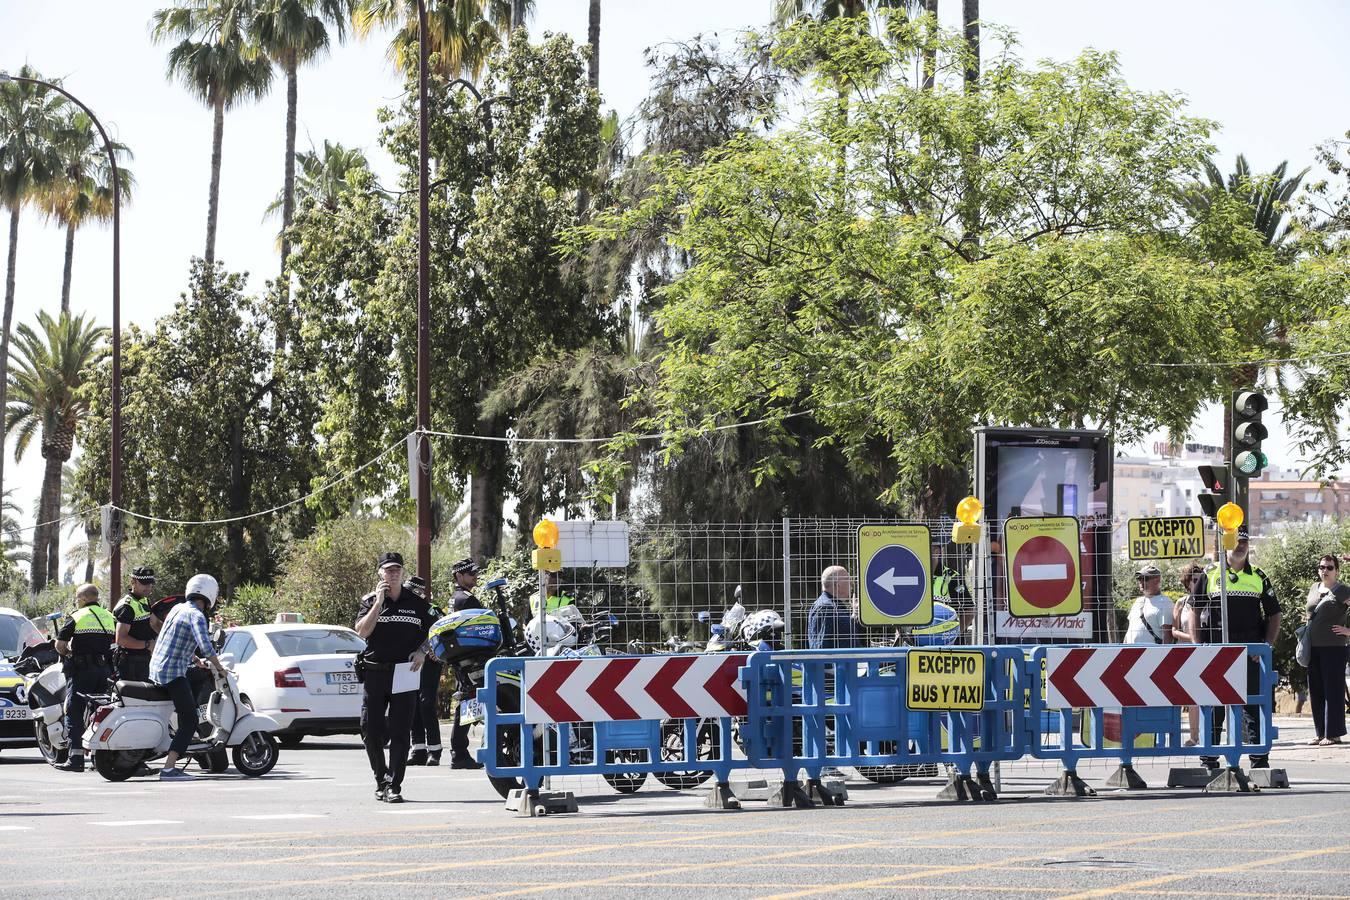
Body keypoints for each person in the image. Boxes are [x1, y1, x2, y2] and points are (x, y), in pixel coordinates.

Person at [1192, 527, 1280, 770]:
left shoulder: (1259, 576)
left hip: (1249, 654)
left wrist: (1266, 646)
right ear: (1226, 544)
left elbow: (1274, 614)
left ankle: (1259, 760)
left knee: (1253, 706)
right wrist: (1197, 647)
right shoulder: (1210, 574)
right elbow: (1195, 610)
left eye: (1244, 541)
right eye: (1236, 541)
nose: (1241, 545)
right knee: (1214, 706)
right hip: (1215, 654)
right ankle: (1209, 759)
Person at [354, 552, 435, 803]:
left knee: (401, 732)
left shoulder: (418, 602)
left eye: (397, 569)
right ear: (380, 573)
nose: (393, 573)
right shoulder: (370, 602)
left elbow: (437, 630)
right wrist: (378, 603)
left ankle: (394, 785)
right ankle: (380, 779)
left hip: (404, 673)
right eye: (388, 570)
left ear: (403, 572)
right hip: (375, 672)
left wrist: (423, 651)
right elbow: (362, 632)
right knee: (371, 730)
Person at [149, 574, 226, 781]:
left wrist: (197, 660)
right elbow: (206, 644)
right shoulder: (197, 615)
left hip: (157, 670)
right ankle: (169, 768)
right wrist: (219, 667)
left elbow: (174, 638)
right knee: (190, 719)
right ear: (210, 595)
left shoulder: (177, 609)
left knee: (186, 704)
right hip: (172, 673)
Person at [53, 584, 115, 773]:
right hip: (104, 671)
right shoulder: (109, 616)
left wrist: (69, 653)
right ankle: (99, 758)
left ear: (84, 598)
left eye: (78, 598)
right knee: (101, 712)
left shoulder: (77, 616)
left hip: (82, 671)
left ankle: (76, 758)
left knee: (75, 711)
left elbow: (60, 645)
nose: (77, 601)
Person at [1304, 554, 1350, 745]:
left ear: (1337, 571)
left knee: (1333, 690)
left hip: (1335, 647)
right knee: (1316, 690)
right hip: (1313, 647)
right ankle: (1320, 732)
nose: (1325, 570)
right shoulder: (1314, 588)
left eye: (1330, 567)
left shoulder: (1343, 590)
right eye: (1322, 567)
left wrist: (1348, 630)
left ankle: (1333, 734)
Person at [444, 557, 486, 769]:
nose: (475, 576)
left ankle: (459, 751)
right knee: (468, 704)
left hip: (462, 659)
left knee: (466, 704)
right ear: (459, 576)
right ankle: (459, 752)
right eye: (471, 573)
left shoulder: (455, 597)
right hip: (470, 660)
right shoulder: (466, 599)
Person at [405, 574, 445, 768]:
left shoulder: (431, 609)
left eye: (415, 592)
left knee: (426, 704)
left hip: (429, 660)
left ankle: (434, 750)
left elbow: (442, 631)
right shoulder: (403, 607)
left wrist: (426, 650)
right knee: (412, 704)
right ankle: (418, 749)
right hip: (409, 662)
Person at [1173, 561, 1206, 745]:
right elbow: (1174, 630)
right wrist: (1192, 638)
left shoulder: (1208, 600)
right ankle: (1194, 736)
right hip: (1184, 652)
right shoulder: (1181, 603)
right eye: (1193, 580)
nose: (1196, 582)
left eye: (1199, 579)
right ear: (1187, 582)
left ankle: (1209, 734)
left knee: (1205, 695)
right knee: (1189, 697)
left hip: (1203, 652)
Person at [112, 566, 161, 682]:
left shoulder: (143, 600)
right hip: (131, 663)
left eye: (150, 584)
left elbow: (155, 623)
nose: (148, 587)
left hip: (144, 660)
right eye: (144, 584)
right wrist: (148, 644)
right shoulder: (127, 606)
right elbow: (121, 639)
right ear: (133, 582)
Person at [808, 565, 859, 650]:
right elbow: (820, 648)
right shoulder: (826, 608)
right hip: (839, 662)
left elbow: (842, 632)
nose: (852, 584)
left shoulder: (833, 605)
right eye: (848, 580)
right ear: (837, 584)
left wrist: (855, 614)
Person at [1123, 564, 1174, 645]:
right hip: (1130, 653)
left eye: (1145, 578)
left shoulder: (1165, 602)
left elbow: (1167, 635)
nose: (1141, 582)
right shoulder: (1138, 602)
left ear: (1157, 580)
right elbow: (1130, 629)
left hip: (1152, 654)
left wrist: (1164, 655)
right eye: (1139, 578)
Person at [932, 552, 973, 642]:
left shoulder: (952, 577)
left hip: (949, 646)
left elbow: (969, 610)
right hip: (917, 643)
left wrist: (954, 635)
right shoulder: (914, 576)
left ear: (936, 551)